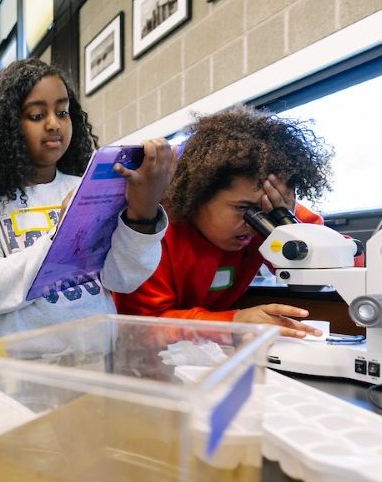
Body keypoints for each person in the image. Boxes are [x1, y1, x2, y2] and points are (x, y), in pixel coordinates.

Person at [0, 58, 176, 340]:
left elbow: (121, 278)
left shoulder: (83, 187)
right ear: (7, 125)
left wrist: (142, 215)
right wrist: (62, 234)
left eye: (62, 112)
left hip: (92, 355)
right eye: (36, 115)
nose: (53, 124)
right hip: (18, 363)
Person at [113, 105, 334, 338]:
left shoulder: (273, 211)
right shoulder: (154, 232)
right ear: (198, 195)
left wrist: (289, 228)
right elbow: (142, 326)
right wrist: (232, 323)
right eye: (243, 209)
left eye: (264, 211)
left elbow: (322, 277)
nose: (254, 223)